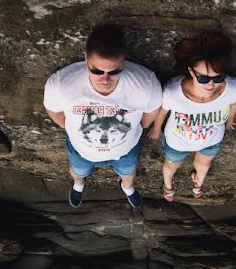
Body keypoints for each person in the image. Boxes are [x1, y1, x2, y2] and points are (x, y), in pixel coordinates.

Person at [43, 24, 162, 208]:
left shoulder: (145, 85)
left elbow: (150, 113)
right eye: (97, 71)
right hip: (82, 150)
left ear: (124, 63)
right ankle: (78, 184)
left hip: (125, 149)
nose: (105, 79)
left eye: (114, 72)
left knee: (128, 172)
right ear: (86, 60)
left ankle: (127, 188)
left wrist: (136, 130)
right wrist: (68, 127)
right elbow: (53, 110)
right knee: (78, 171)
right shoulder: (61, 85)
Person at [149, 32, 236, 200]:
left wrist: (230, 121)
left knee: (204, 164)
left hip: (211, 140)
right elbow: (163, 111)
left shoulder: (231, 88)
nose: (211, 84)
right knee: (171, 166)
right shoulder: (174, 92)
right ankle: (168, 184)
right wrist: (157, 129)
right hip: (177, 141)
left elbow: (233, 103)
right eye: (204, 78)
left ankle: (198, 182)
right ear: (191, 72)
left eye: (218, 77)